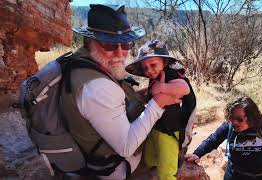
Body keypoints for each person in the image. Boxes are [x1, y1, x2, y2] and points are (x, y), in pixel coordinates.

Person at [59, 4, 180, 179]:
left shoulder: (82, 61)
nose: (120, 53)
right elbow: (126, 147)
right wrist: (157, 104)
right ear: (90, 41)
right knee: (168, 140)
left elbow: (104, 105)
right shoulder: (97, 86)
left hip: (90, 148)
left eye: (125, 44)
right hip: (112, 166)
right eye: (109, 45)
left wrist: (141, 96)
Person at [125, 40, 197, 180]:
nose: (149, 70)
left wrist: (163, 88)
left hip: (170, 132)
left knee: (166, 173)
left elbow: (184, 88)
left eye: (153, 65)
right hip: (157, 127)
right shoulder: (157, 76)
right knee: (149, 158)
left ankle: (169, 165)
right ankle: (164, 162)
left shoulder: (170, 73)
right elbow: (151, 92)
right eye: (145, 68)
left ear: (164, 62)